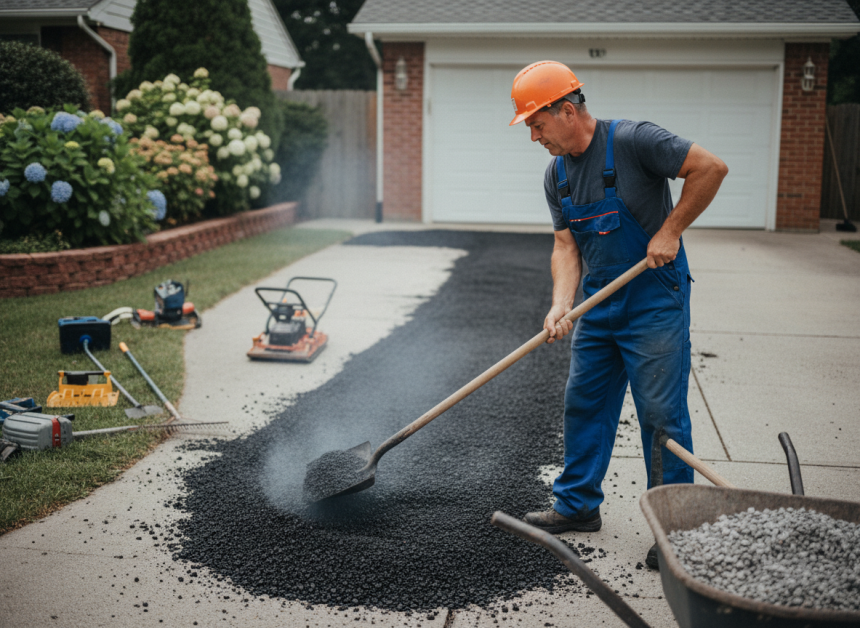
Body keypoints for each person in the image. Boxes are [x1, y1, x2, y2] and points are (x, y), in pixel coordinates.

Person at [509, 61, 728, 568]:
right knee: (583, 403)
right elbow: (566, 247)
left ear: (567, 111)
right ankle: (577, 506)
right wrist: (561, 303)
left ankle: (677, 529)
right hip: (599, 305)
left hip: (653, 302)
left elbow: (710, 168)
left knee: (660, 417)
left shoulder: (634, 141)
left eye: (537, 125)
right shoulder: (556, 174)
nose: (534, 137)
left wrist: (670, 230)